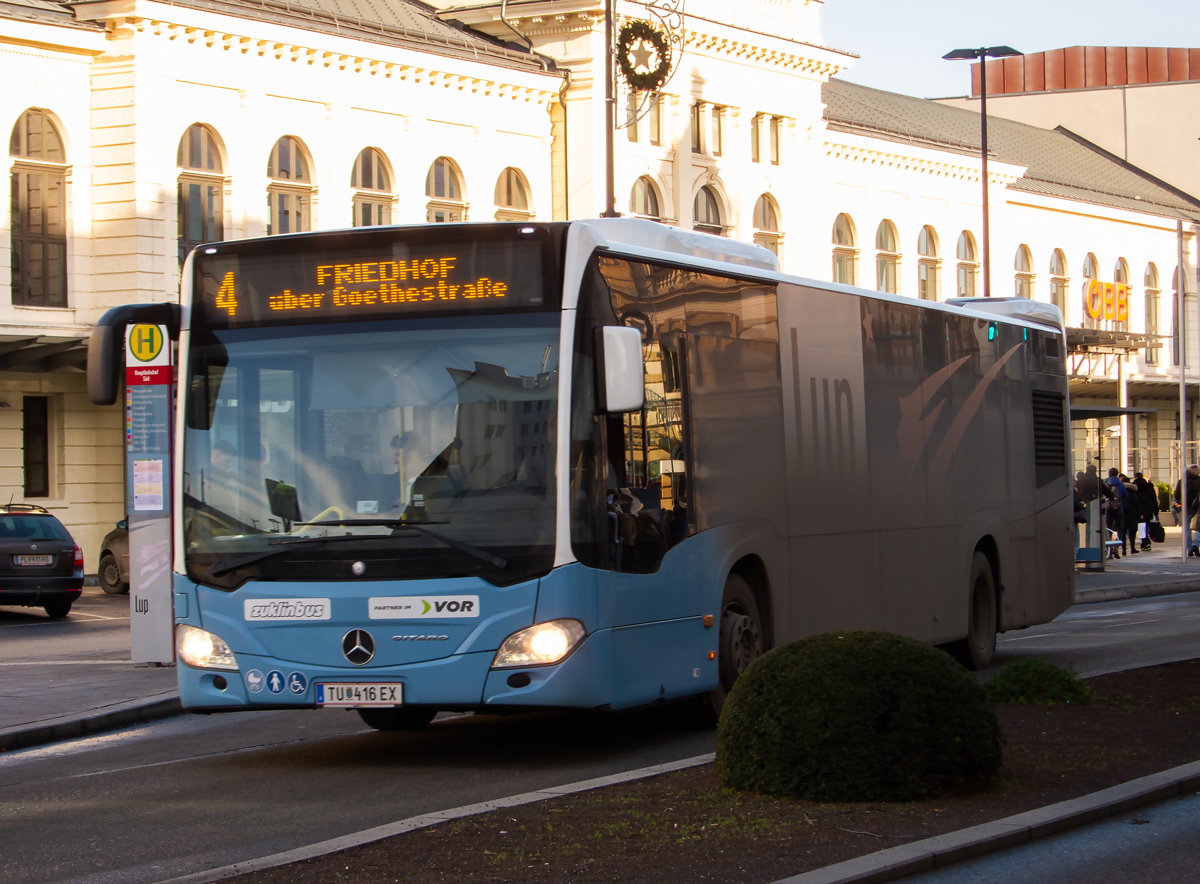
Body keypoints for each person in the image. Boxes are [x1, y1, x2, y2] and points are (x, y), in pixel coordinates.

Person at [1172, 464, 1200, 556]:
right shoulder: (1198, 481)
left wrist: (1181, 502)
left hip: (1186, 508)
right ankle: (1196, 544)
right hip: (1198, 509)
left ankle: (1190, 549)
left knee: (1187, 529)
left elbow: (1176, 495)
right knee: (1199, 529)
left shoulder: (1182, 481)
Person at [1133, 472, 1160, 551]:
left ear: (1135, 478)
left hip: (1139, 510)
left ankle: (1145, 542)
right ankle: (1146, 543)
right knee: (1146, 526)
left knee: (1141, 527)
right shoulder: (1149, 487)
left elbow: (1135, 500)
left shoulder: (1135, 487)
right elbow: (1154, 500)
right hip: (1148, 510)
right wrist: (1156, 512)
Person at [1120, 473, 1141, 556]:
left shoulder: (1119, 490)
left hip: (1122, 513)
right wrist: (1140, 513)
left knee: (1122, 532)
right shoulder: (1133, 491)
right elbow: (1137, 503)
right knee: (1132, 532)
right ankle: (1132, 548)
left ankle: (1123, 550)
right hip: (1132, 514)